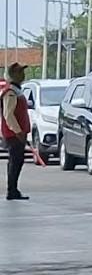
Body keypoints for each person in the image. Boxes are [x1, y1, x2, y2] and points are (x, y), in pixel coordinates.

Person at [2, 63, 31, 201]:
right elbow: (8, 114)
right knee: (15, 161)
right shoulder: (11, 92)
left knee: (18, 161)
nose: (22, 75)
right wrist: (18, 131)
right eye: (19, 72)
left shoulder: (17, 90)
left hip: (18, 133)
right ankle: (11, 190)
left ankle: (13, 189)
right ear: (13, 75)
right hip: (13, 134)